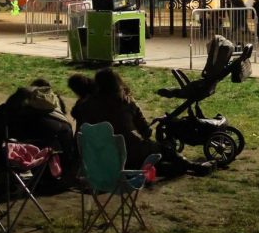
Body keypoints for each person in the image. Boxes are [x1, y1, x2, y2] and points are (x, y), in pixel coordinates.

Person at [72, 67, 213, 177]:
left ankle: (168, 168)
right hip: (130, 152)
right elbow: (146, 131)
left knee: (147, 159)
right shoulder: (126, 102)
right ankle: (190, 165)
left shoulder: (85, 105)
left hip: (101, 157)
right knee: (163, 150)